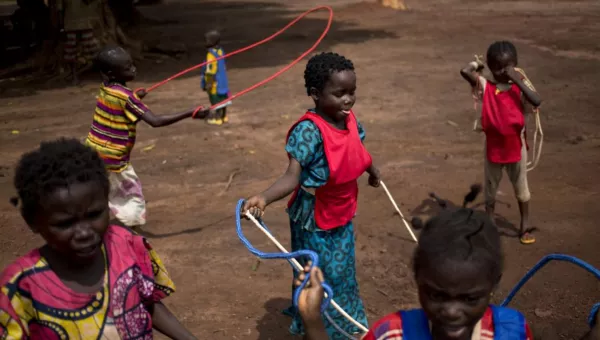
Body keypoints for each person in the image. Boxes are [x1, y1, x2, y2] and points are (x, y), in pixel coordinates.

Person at [1, 138, 197, 340]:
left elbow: (146, 301)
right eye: (65, 224)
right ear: (33, 222)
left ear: (107, 202)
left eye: (94, 214)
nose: (84, 232)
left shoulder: (126, 245)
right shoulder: (20, 288)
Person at [243, 52, 381, 339]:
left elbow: (357, 150)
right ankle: (313, 325)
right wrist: (263, 198)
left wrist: (372, 170)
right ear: (316, 94)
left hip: (342, 209)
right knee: (315, 274)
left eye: (352, 92)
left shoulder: (349, 119)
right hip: (314, 217)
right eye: (340, 93)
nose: (348, 100)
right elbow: (292, 177)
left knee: (342, 270)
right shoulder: (308, 132)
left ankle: (344, 321)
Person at [298, 184, 536, 340]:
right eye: (437, 296)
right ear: (418, 280)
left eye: (470, 298)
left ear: (493, 285)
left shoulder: (513, 331)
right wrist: (312, 319)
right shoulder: (392, 335)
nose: (452, 312)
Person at [85, 46, 211, 231]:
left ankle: (97, 217)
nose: (134, 69)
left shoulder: (107, 89)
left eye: (132, 65)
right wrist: (190, 113)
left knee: (105, 186)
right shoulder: (128, 99)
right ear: (112, 73)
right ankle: (128, 229)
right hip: (114, 156)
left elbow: (121, 102)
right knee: (130, 195)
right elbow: (156, 121)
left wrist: (136, 96)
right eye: (128, 67)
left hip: (94, 150)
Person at [460, 41, 542, 245]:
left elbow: (537, 100)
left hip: (516, 148)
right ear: (490, 67)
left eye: (508, 67)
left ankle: (524, 225)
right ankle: (489, 225)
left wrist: (517, 78)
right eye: (498, 67)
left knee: (521, 188)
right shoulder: (487, 87)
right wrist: (477, 65)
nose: (503, 71)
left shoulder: (521, 90)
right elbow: (464, 71)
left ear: (515, 65)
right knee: (490, 188)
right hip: (494, 149)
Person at [57, 0, 106, 85]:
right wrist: (61, 27)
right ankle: (74, 77)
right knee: (71, 52)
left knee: (92, 49)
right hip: (70, 24)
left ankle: (102, 75)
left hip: (85, 23)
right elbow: (60, 10)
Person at [200, 30, 231, 126]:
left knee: (215, 99)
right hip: (223, 80)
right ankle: (224, 116)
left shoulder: (211, 55)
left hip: (215, 82)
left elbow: (210, 71)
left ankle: (218, 119)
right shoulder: (221, 51)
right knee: (224, 98)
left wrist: (208, 83)